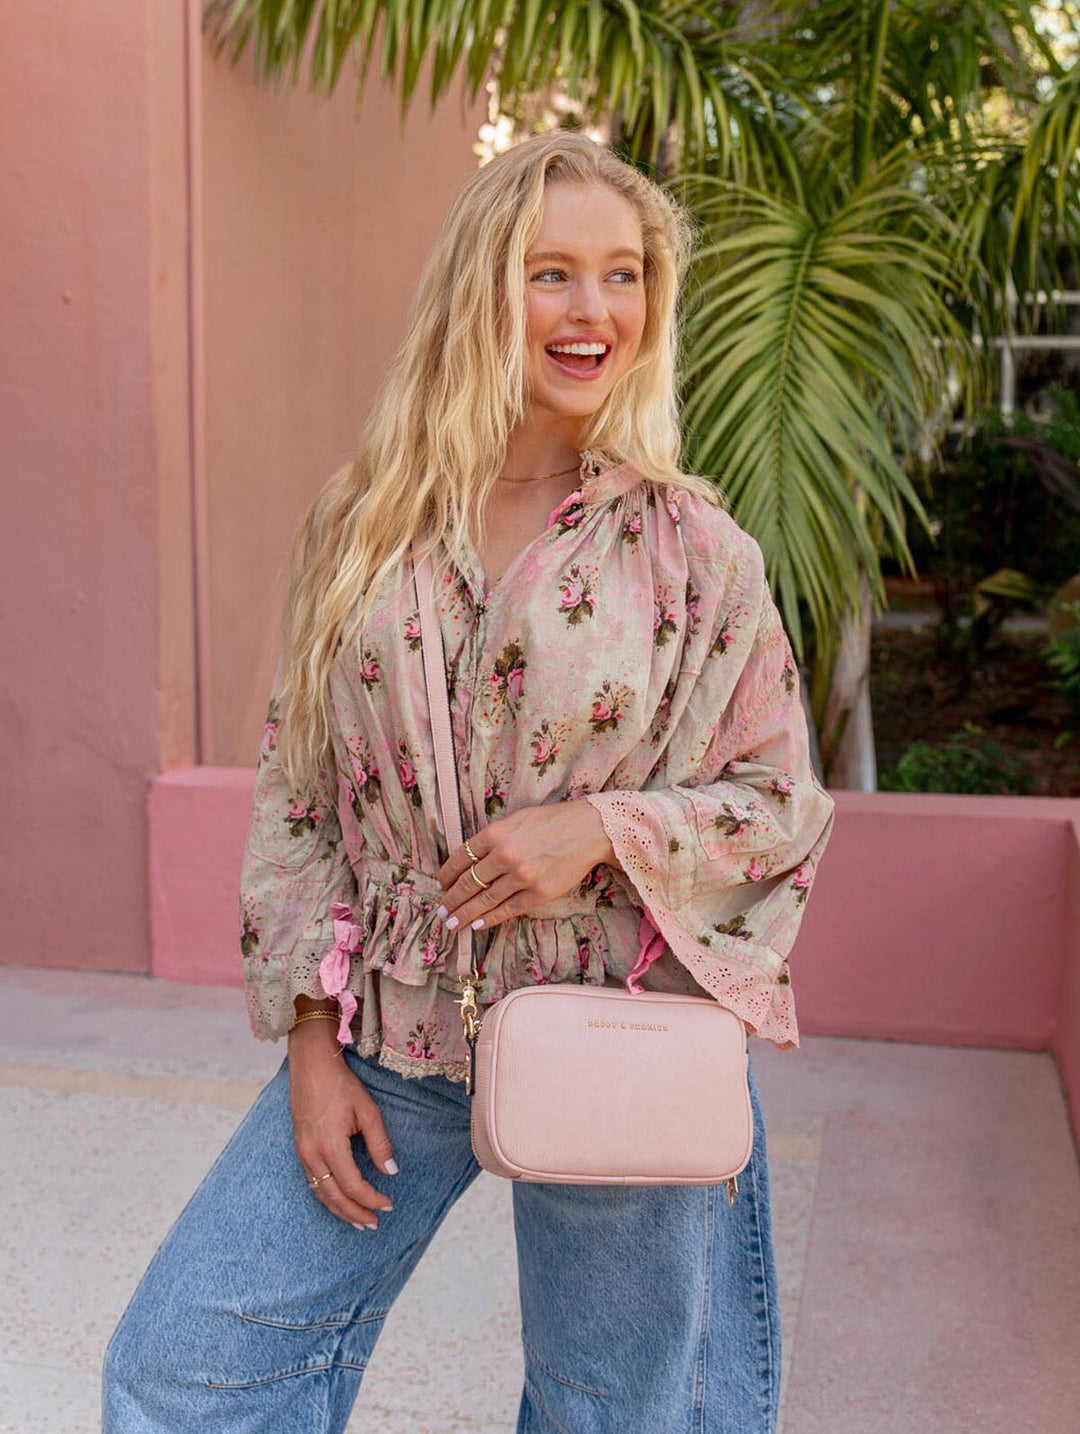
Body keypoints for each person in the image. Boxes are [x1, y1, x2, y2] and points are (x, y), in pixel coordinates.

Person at [103, 131, 835, 1433]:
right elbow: (300, 791)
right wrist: (311, 1044)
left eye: (624, 276)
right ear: (482, 287)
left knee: (614, 1413)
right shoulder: (366, 522)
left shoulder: (691, 548)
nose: (593, 310)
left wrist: (599, 830)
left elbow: (781, 809)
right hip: (392, 1033)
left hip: (620, 1024)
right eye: (554, 273)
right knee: (188, 1371)